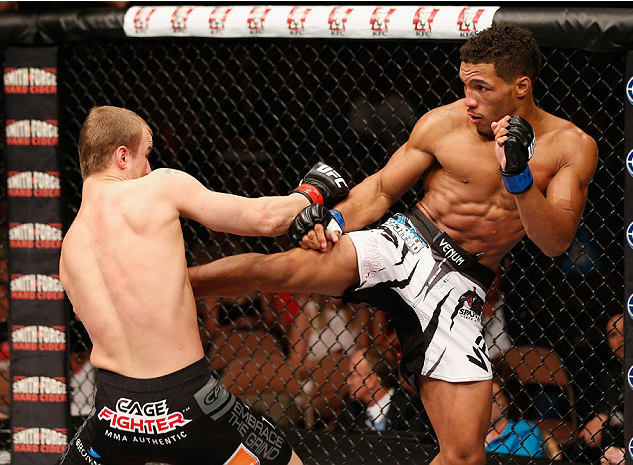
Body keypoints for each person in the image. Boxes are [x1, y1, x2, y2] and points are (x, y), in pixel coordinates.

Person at [189, 22, 598, 465]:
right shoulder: (443, 124)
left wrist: (519, 181)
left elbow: (556, 241)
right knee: (276, 270)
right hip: (406, 238)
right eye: (465, 85)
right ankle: (164, 285)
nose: (469, 100)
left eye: (482, 87)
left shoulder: (570, 146)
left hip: (461, 281)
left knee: (464, 455)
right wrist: (336, 221)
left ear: (521, 86)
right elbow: (382, 190)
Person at [57, 105, 348, 465]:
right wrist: (312, 191)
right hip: (187, 404)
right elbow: (265, 219)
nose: (149, 166)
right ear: (122, 156)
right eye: (146, 154)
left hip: (114, 415)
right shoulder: (157, 187)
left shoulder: (68, 251)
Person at [564, 313, 624, 464]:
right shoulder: (611, 374)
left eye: (626, 330)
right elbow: (604, 409)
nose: (621, 338)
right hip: (614, 435)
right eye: (613, 334)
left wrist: (603, 418)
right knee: (589, 438)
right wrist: (602, 416)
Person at [334, 347, 433, 438]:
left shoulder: (410, 410)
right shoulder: (350, 407)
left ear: (370, 380)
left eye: (353, 376)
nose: (348, 382)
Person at [486, 361, 544, 457]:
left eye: (492, 399)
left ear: (509, 400)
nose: (484, 405)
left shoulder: (526, 434)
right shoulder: (466, 431)